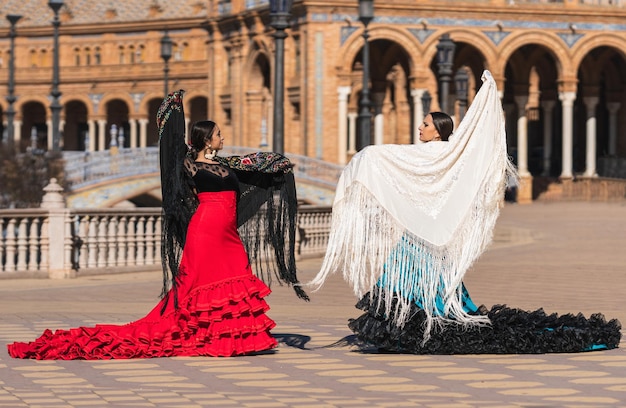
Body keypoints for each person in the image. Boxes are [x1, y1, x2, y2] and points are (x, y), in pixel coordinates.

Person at [310, 71, 621, 354]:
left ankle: (416, 329)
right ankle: (415, 327)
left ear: (438, 130)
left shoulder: (423, 155)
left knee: (411, 283)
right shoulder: (451, 157)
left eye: (426, 124)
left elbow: (380, 158)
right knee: (432, 285)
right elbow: (478, 146)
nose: (420, 127)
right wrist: (487, 96)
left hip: (421, 236)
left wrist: (364, 160)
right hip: (435, 237)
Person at [7, 90, 307, 360]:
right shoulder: (189, 166)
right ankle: (209, 338)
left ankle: (233, 339)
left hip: (227, 232)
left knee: (235, 277)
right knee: (201, 285)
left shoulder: (228, 165)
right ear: (205, 139)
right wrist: (173, 111)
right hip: (204, 230)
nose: (222, 138)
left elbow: (261, 164)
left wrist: (278, 165)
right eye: (217, 134)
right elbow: (171, 151)